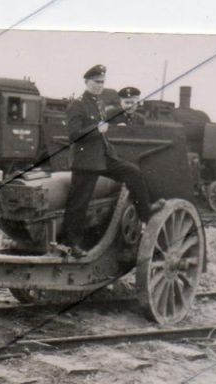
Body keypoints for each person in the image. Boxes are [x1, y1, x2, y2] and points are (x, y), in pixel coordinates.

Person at [63, 65, 162, 257]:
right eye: (96, 82)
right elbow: (73, 135)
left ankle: (145, 212)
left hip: (103, 156)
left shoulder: (99, 103)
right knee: (79, 203)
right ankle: (71, 244)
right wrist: (96, 130)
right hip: (86, 160)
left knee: (132, 172)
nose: (100, 85)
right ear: (86, 82)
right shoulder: (78, 104)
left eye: (102, 82)